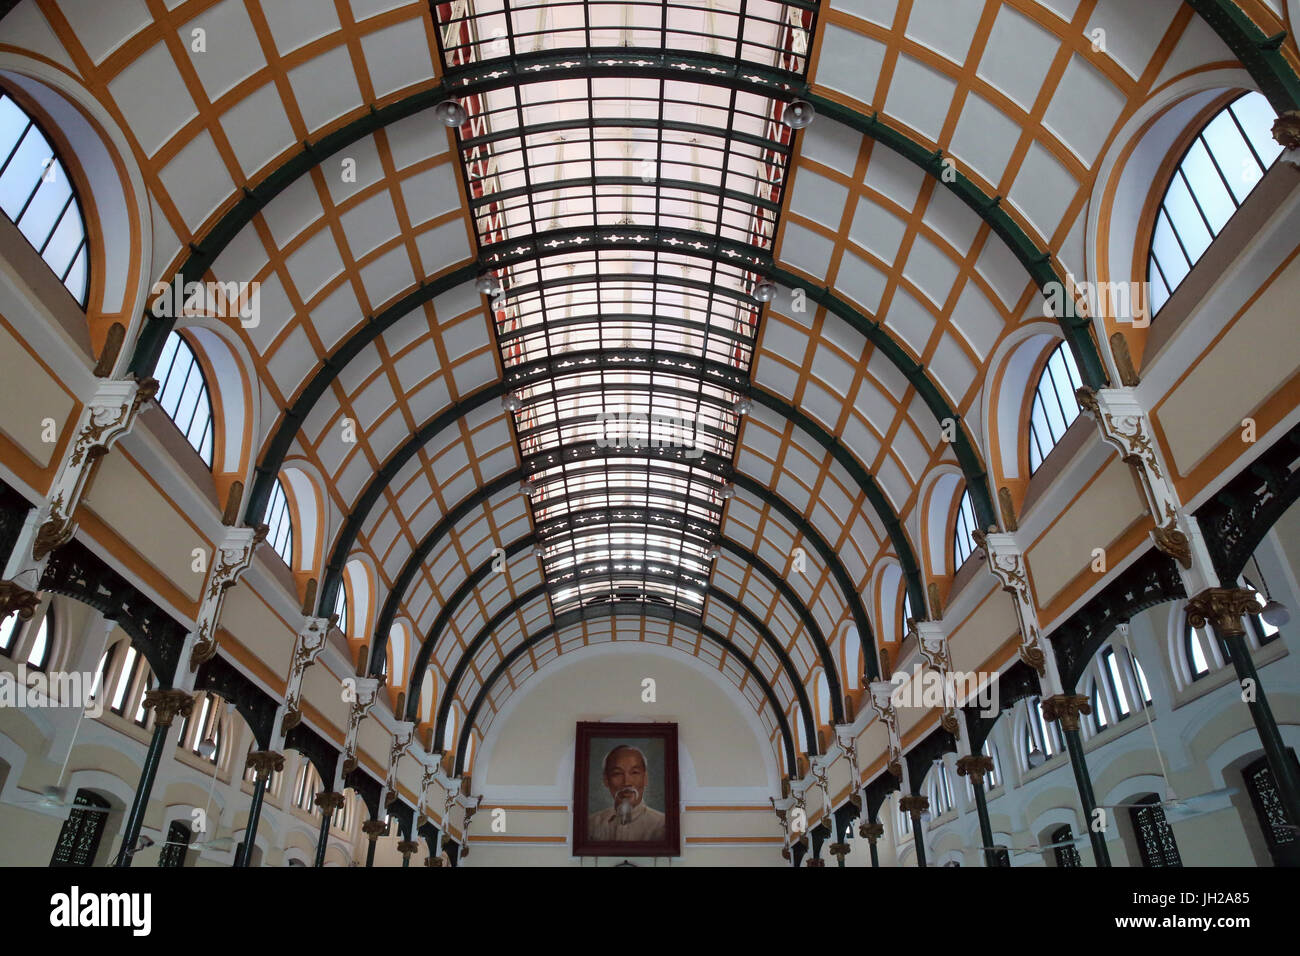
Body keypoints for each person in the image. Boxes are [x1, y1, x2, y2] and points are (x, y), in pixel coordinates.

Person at [587, 744, 665, 842]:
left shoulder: (662, 825)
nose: (627, 782)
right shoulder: (591, 824)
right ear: (606, 780)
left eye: (634, 772)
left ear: (645, 779)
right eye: (617, 773)